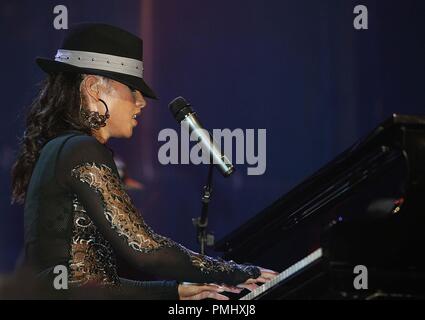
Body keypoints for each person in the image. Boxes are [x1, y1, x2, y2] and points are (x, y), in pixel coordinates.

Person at [10, 23, 277, 300]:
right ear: (93, 88)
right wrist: (236, 271)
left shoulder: (63, 149)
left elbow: (93, 286)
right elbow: (146, 250)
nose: (142, 103)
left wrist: (173, 292)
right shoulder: (81, 150)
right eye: (132, 89)